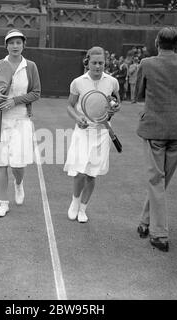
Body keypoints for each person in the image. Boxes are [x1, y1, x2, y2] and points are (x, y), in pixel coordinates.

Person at [135, 27, 177, 251]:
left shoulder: (147, 63)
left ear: (156, 43)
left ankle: (159, 233)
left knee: (156, 181)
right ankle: (145, 222)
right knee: (161, 182)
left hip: (155, 129)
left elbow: (137, 94)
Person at [0, 29, 41, 217]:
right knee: (1, 163)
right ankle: (3, 203)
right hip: (0, 120)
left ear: (24, 45)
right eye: (11, 42)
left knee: (17, 165)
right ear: (6, 45)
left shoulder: (30, 66)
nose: (15, 46)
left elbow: (36, 93)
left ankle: (19, 183)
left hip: (21, 119)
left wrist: (15, 101)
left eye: (18, 42)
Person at [64, 46, 121, 223]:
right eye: (94, 63)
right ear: (87, 62)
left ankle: (83, 208)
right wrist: (78, 118)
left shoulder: (112, 81)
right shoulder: (78, 82)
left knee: (91, 174)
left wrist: (115, 108)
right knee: (80, 171)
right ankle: (74, 203)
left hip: (102, 133)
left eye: (101, 63)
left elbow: (116, 103)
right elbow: (69, 106)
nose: (98, 66)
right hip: (83, 131)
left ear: (105, 63)